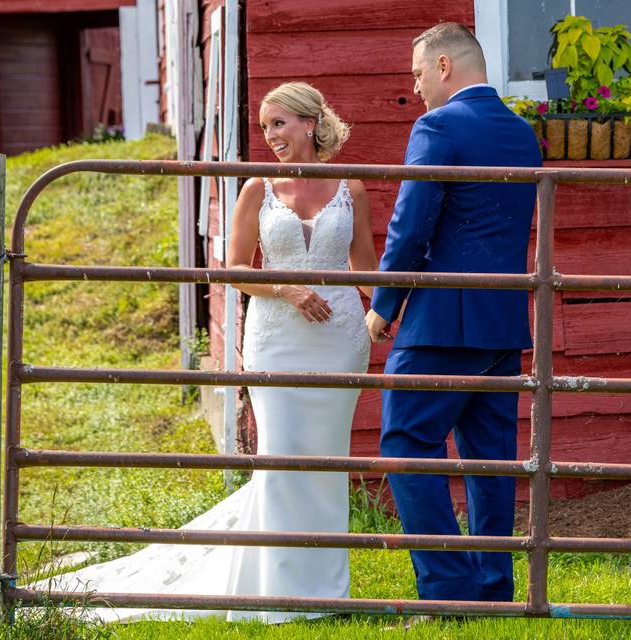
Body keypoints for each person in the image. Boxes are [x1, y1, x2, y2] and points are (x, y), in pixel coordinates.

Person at [34, 82, 376, 623]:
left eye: (280, 124)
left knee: (326, 462)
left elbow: (367, 269)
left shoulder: (351, 189)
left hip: (339, 340)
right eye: (266, 128)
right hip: (276, 339)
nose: (272, 137)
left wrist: (382, 313)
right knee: (282, 457)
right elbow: (233, 269)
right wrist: (284, 287)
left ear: (310, 123)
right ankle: (278, 595)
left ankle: (325, 592)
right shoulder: (257, 189)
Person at [365, 22, 541, 608]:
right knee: (490, 460)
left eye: (418, 73)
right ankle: (494, 589)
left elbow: (411, 223)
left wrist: (384, 305)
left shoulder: (437, 126)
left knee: (406, 446)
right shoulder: (521, 133)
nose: (415, 88)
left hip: (441, 319)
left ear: (444, 66)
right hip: (502, 320)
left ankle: (446, 589)